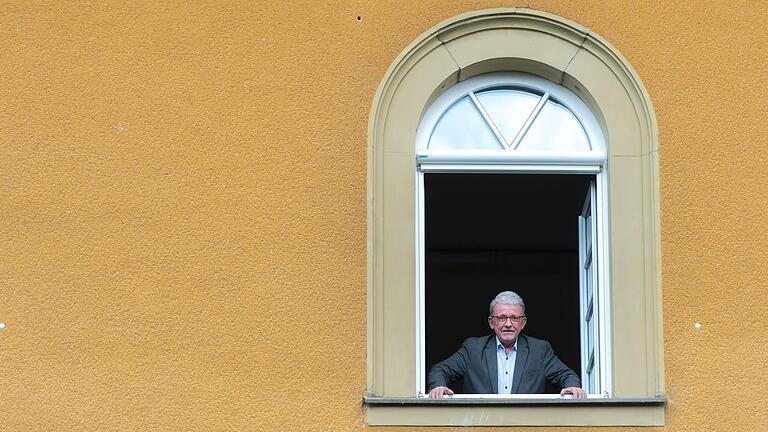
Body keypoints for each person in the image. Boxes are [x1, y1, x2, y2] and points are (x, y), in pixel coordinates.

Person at [427, 290, 586, 398]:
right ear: (491, 322)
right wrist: (438, 387)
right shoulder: (473, 349)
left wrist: (572, 387)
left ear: (523, 322)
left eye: (514, 318)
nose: (508, 324)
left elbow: (567, 375)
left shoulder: (540, 350)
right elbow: (440, 370)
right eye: (502, 318)